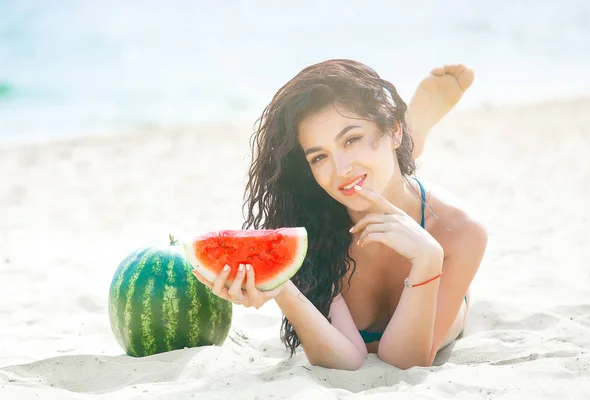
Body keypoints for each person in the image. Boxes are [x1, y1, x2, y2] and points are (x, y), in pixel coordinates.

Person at [192, 60, 487, 371]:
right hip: (369, 178)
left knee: (378, 177)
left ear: (393, 130)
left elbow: (406, 362)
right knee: (372, 176)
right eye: (319, 157)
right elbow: (343, 360)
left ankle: (412, 135)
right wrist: (281, 286)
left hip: (433, 240)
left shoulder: (462, 230)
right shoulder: (313, 225)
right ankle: (401, 149)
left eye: (351, 139)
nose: (340, 169)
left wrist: (427, 260)